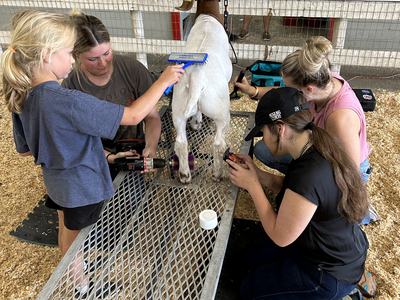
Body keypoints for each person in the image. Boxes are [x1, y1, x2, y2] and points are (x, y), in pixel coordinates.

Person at [1, 9, 183, 297]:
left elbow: (25, 150)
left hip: (58, 182)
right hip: (83, 186)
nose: (72, 60)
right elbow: (135, 115)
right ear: (47, 54)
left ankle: (79, 281)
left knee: (67, 229)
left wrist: (69, 141)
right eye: (68, 53)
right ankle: (82, 289)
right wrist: (164, 80)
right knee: (79, 239)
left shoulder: (21, 94)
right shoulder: (68, 101)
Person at [226, 87, 369, 299]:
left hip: (327, 272)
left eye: (263, 132)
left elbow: (280, 236)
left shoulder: (309, 174)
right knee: (248, 258)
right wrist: (256, 174)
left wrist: (253, 186)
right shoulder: (314, 144)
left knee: (250, 289)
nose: (263, 139)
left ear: (280, 128)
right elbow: (295, 192)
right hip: (325, 244)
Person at [235, 36, 379, 226]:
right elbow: (283, 96)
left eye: (292, 89)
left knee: (315, 191)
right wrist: (253, 91)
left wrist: (311, 189)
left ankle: (359, 212)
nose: (288, 93)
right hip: (320, 150)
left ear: (307, 89)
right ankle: (298, 187)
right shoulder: (325, 81)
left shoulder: (340, 118)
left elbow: (349, 171)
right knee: (264, 150)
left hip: (346, 169)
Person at [63, 12, 160, 179]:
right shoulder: (72, 84)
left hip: (132, 150)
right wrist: (107, 156)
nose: (102, 63)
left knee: (132, 198)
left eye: (107, 53)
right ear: (76, 56)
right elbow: (74, 138)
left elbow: (152, 116)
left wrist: (150, 147)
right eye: (93, 59)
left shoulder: (132, 69)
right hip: (93, 153)